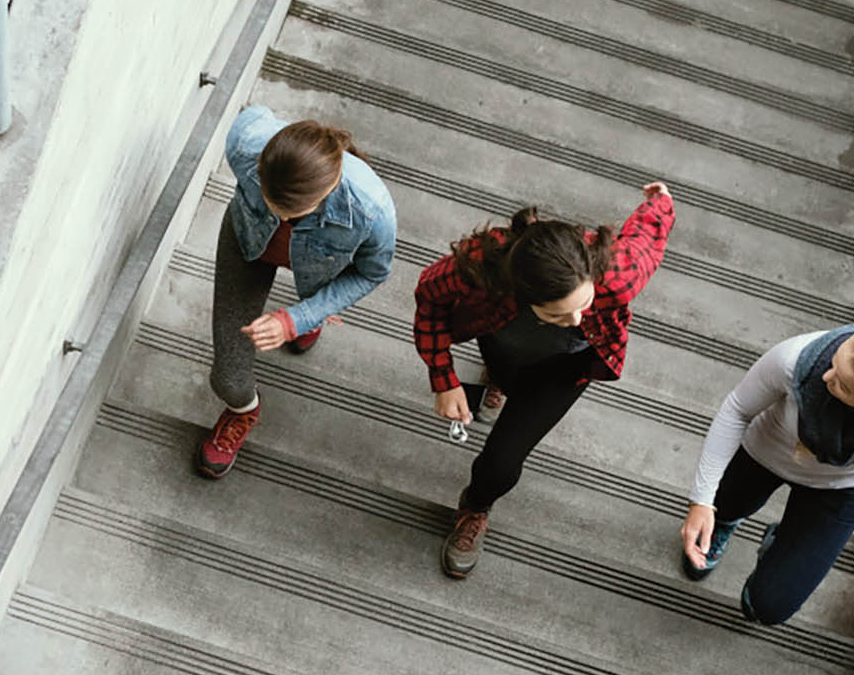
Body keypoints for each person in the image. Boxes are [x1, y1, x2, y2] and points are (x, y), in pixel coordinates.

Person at [414, 183, 675, 578]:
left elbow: (646, 240)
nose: (577, 321)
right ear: (520, 292)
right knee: (503, 366)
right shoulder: (480, 268)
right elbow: (429, 297)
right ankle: (498, 382)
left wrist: (660, 202)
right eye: (559, 313)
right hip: (501, 337)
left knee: (501, 462)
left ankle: (476, 506)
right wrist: (443, 378)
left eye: (585, 305)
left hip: (566, 368)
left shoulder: (616, 276)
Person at [679, 324, 854, 625]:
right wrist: (702, 501)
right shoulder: (794, 361)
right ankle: (727, 519)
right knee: (726, 504)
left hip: (844, 486)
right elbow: (737, 409)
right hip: (765, 455)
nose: (827, 376)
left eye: (842, 385)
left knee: (766, 607)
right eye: (834, 363)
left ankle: (784, 543)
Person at [197, 105, 397, 478]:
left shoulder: (372, 212)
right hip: (247, 245)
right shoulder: (245, 145)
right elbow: (253, 113)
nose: (282, 219)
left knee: (312, 308)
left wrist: (298, 317)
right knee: (228, 378)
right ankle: (244, 410)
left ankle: (311, 315)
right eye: (270, 203)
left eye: (291, 211)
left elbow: (372, 274)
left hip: (324, 264)